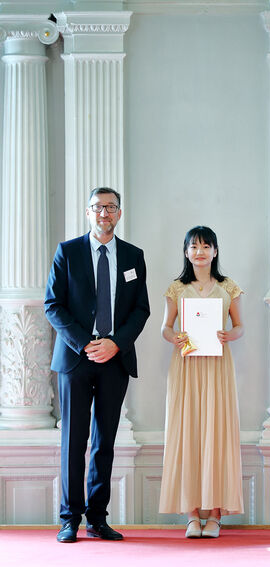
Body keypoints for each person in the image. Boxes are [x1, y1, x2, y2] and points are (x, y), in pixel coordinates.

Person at [45, 187, 150, 543]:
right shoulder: (68, 252)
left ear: (119, 213)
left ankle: (97, 518)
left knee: (105, 440)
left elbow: (141, 310)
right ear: (88, 212)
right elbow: (52, 305)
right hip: (76, 359)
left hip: (114, 360)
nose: (104, 213)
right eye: (97, 207)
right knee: (74, 440)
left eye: (110, 207)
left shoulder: (134, 256)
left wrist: (115, 344)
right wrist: (85, 343)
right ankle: (69, 519)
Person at [159, 226, 244, 538]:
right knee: (188, 432)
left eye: (206, 246)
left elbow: (240, 326)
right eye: (194, 246)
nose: (200, 252)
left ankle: (216, 515)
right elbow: (165, 328)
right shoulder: (177, 288)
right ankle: (192, 514)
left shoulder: (228, 287)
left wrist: (229, 335)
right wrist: (175, 338)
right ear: (186, 252)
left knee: (218, 432)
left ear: (215, 251)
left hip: (218, 366)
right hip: (186, 366)